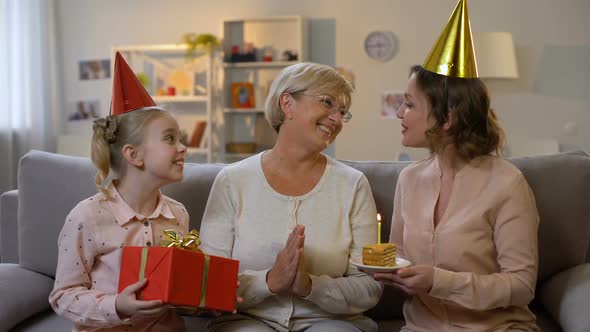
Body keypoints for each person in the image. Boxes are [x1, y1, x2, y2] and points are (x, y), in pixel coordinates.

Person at [371, 1, 540, 331]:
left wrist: (440, 281)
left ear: (447, 118)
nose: (399, 114)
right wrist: (383, 270)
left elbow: (521, 284)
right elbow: (400, 259)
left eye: (409, 104)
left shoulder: (506, 183)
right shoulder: (409, 179)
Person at [200, 62, 383, 332]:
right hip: (247, 321)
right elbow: (208, 282)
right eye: (327, 102)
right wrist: (270, 282)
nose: (337, 119)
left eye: (343, 112)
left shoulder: (353, 184)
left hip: (331, 322)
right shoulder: (232, 181)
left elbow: (369, 286)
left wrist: (310, 286)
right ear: (287, 103)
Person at [49, 52, 189, 331]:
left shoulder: (178, 214)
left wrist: (206, 292)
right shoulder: (87, 216)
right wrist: (116, 306)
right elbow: (63, 296)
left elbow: (178, 289)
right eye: (170, 139)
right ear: (133, 155)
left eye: (181, 138)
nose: (183, 147)